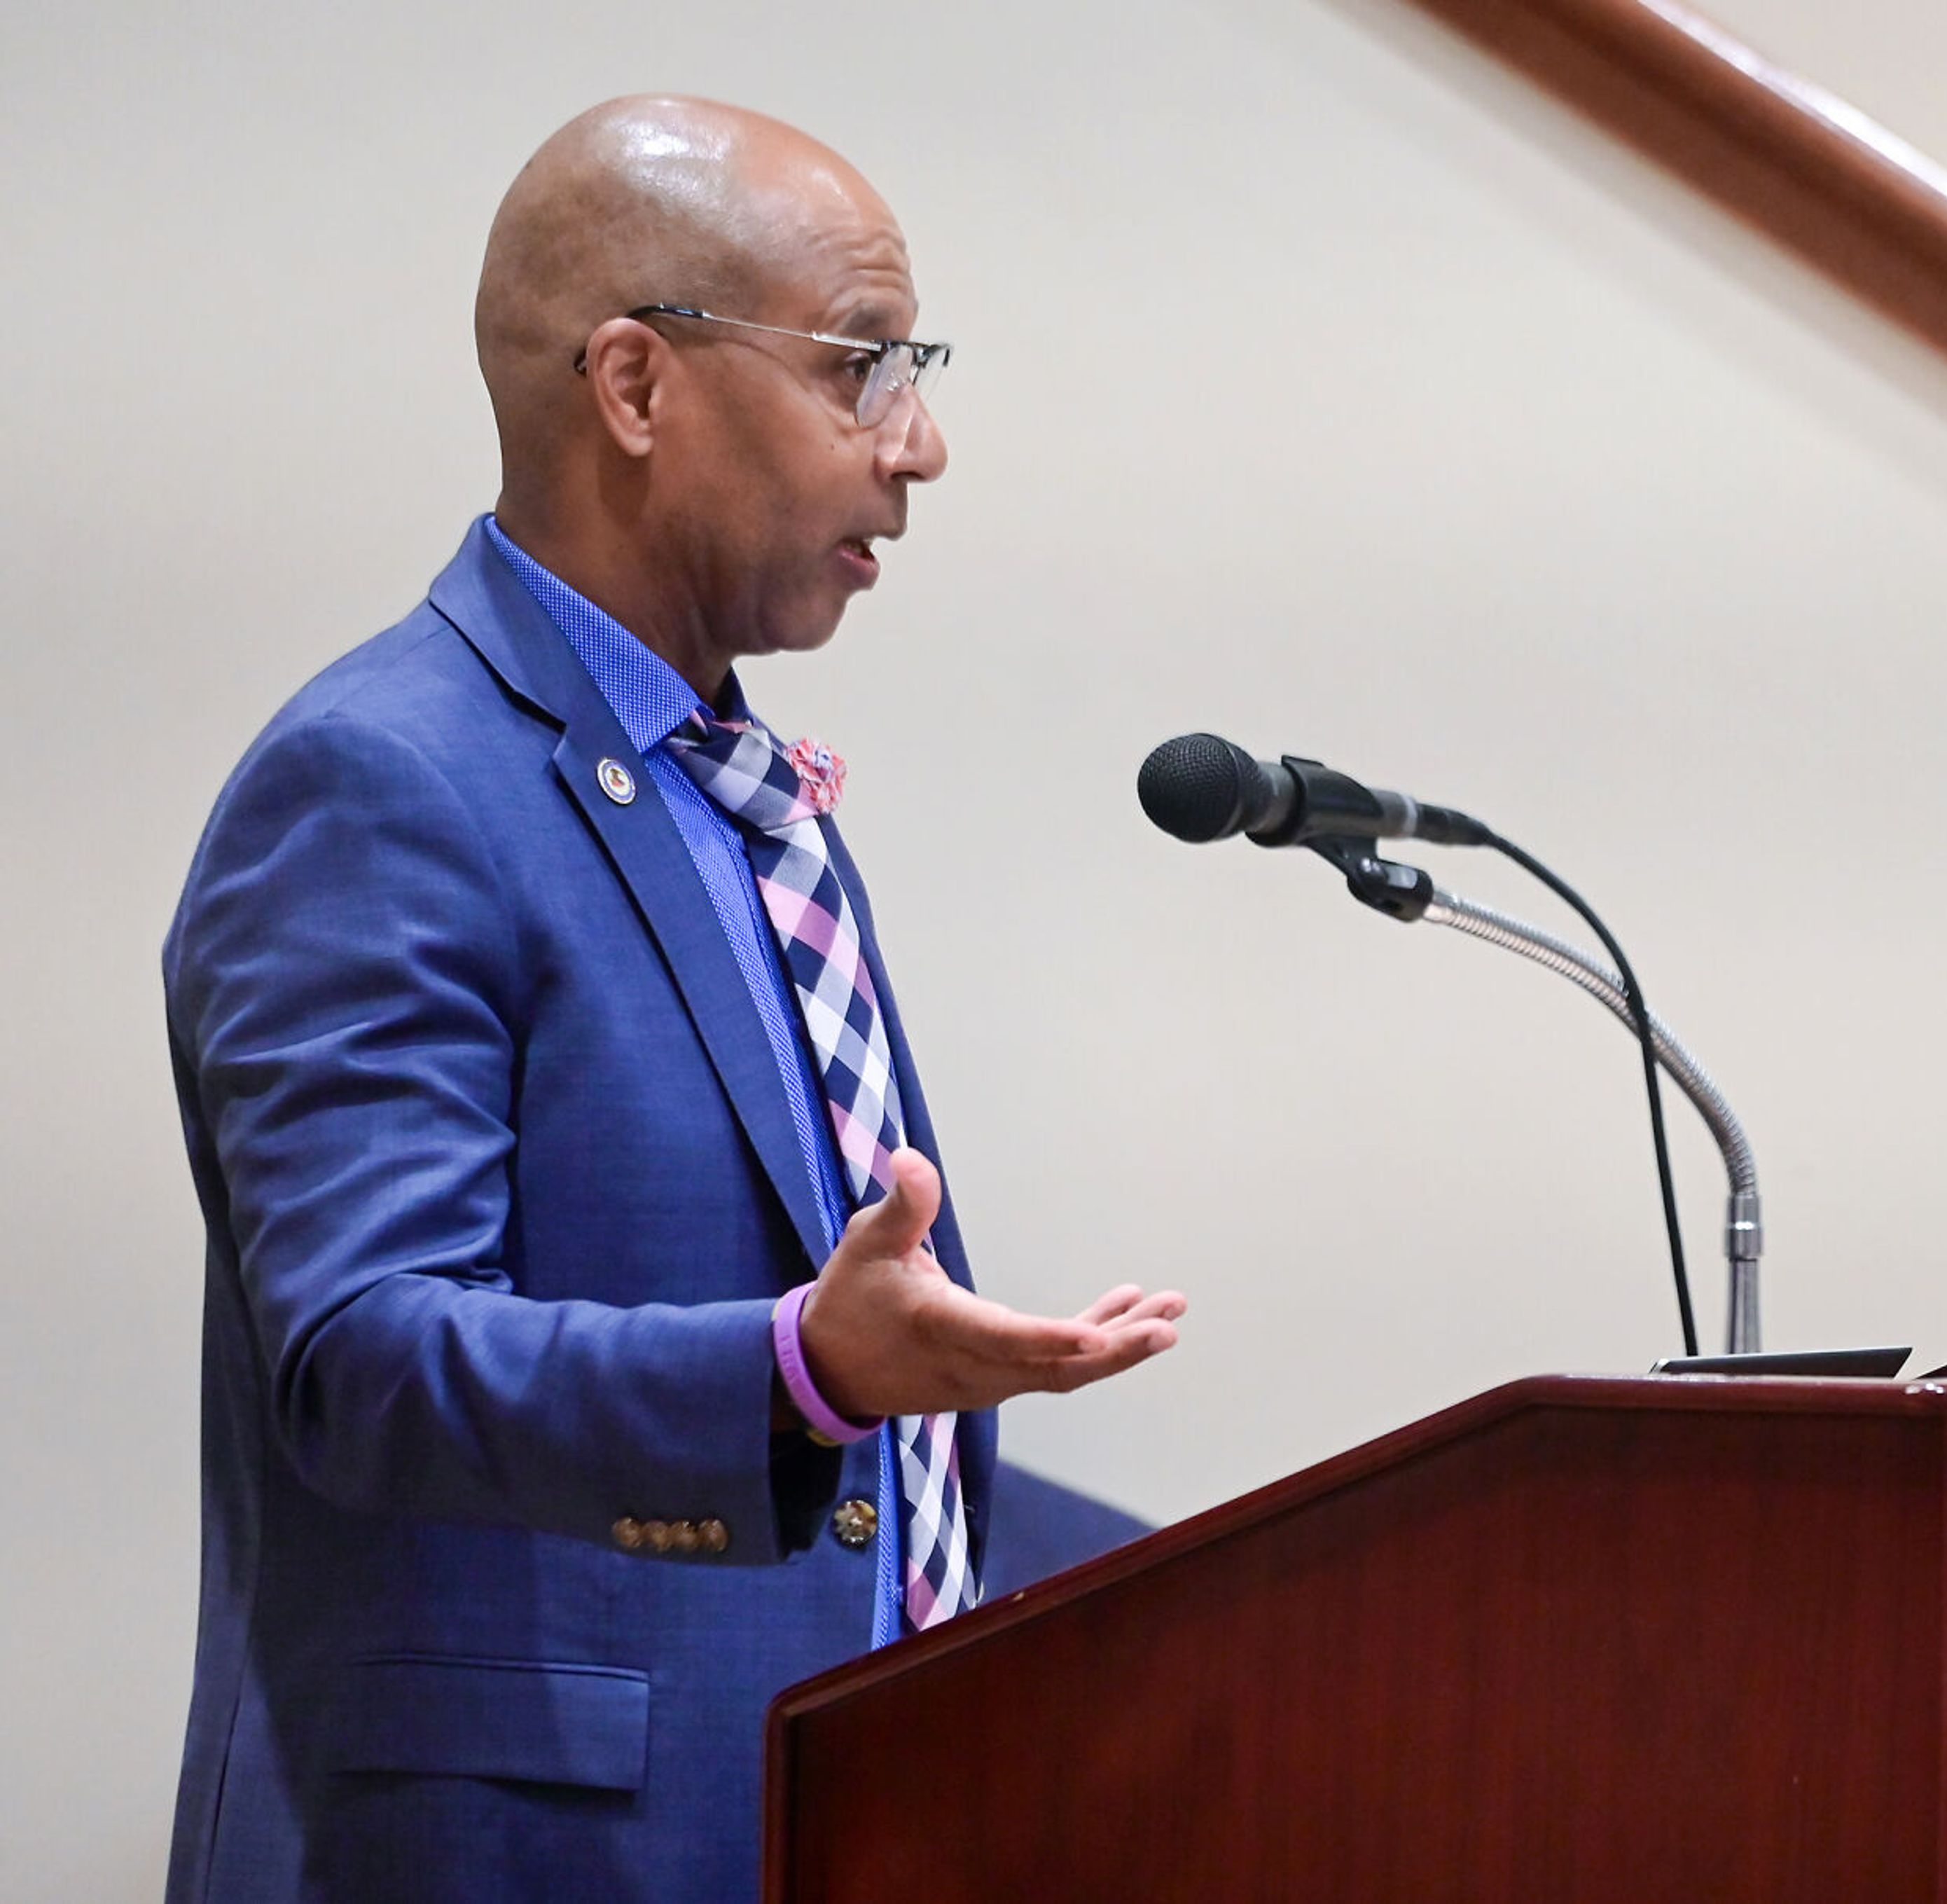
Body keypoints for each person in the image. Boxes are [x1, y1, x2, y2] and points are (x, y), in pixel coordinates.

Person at [159, 97, 1185, 1903]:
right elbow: (364, 1358)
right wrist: (797, 1368)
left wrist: (1218, 1591)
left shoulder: (728, 794)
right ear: (635, 388)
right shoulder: (381, 783)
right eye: (865, 365)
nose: (920, 444)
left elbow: (863, 1493)